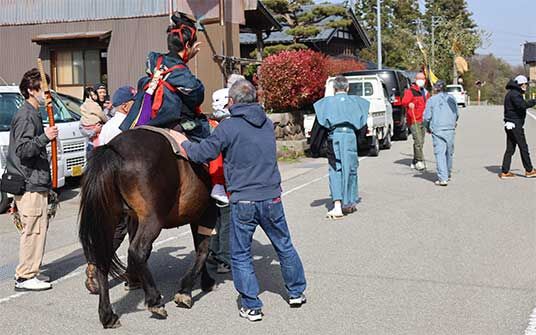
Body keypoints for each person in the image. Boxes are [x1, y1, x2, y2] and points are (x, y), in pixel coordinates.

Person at [176, 79, 307, 322]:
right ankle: (296, 292)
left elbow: (202, 152)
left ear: (232, 102)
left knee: (241, 254)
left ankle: (251, 305)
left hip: (243, 200)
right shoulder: (267, 124)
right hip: (272, 197)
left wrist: (182, 142)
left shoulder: (228, 127)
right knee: (284, 245)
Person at [119, 11, 227, 203]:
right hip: (172, 121)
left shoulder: (154, 60)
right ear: (186, 46)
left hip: (144, 117)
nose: (196, 49)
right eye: (194, 46)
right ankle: (219, 184)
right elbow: (196, 97)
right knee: (215, 132)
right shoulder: (184, 76)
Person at [6, 68, 58, 291]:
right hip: (29, 183)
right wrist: (44, 137)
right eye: (43, 89)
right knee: (33, 230)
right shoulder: (27, 115)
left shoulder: (31, 114)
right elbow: (23, 150)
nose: (48, 93)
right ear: (31, 90)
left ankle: (29, 273)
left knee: (35, 229)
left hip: (32, 181)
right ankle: (25, 275)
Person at [313, 75, 368, 219]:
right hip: (350, 137)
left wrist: (315, 147)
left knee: (335, 169)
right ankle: (349, 202)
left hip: (334, 137)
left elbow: (318, 126)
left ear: (334, 88)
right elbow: (363, 126)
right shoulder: (357, 102)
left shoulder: (326, 103)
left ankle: (338, 205)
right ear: (348, 87)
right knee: (351, 168)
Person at [423, 80, 459, 186]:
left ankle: (443, 177)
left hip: (437, 129)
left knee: (440, 153)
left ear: (436, 88)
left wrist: (427, 127)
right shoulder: (452, 99)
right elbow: (456, 113)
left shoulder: (432, 100)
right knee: (449, 152)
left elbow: (427, 117)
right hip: (450, 128)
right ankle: (447, 174)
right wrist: (453, 122)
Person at [499, 75, 536, 179]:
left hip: (509, 124)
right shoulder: (515, 94)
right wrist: (534, 101)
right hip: (515, 125)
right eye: (525, 84)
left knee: (510, 149)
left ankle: (505, 172)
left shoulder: (511, 93)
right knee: (523, 147)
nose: (526, 86)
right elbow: (522, 105)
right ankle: (529, 170)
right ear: (521, 84)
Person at [402, 72, 430, 171]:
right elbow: (404, 101)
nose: (420, 80)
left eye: (422, 79)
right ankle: (419, 161)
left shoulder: (425, 92)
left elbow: (429, 104)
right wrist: (409, 103)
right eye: (418, 78)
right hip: (414, 119)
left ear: (425, 80)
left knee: (421, 141)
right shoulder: (410, 91)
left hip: (423, 119)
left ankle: (414, 160)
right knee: (418, 140)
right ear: (415, 79)